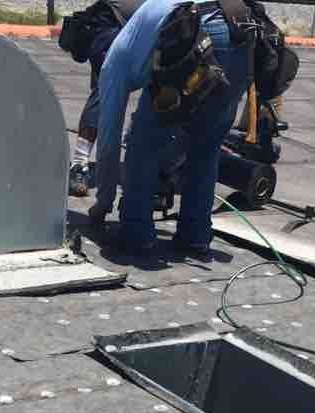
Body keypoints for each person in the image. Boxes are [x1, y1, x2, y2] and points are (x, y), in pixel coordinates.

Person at [89, 0, 248, 259]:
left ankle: (136, 233)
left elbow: (109, 138)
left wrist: (102, 204)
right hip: (241, 30)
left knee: (143, 145)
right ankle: (194, 237)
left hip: (196, 27)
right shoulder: (139, 32)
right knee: (206, 147)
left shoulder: (112, 64)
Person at [67, 0, 150, 198]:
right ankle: (79, 165)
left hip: (145, 25)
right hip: (112, 23)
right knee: (103, 91)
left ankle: (160, 165)